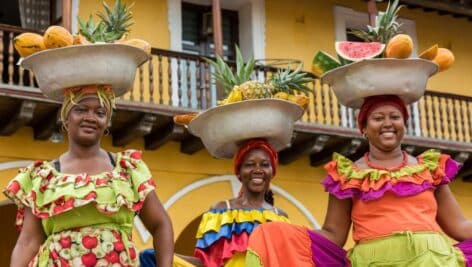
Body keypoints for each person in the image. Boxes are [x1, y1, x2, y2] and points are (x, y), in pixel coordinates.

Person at [245, 95, 472, 266]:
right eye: (377, 118)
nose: (387, 123)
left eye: (395, 117)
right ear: (363, 128)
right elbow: (334, 235)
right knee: (271, 233)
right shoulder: (347, 176)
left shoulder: (430, 169)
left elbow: (459, 226)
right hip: (373, 262)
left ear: (404, 124)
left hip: (431, 261)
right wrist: (283, 235)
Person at [3, 85, 174, 267]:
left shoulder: (127, 170)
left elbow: (160, 224)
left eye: (99, 113)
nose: (90, 118)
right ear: (67, 117)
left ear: (106, 122)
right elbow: (28, 241)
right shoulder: (43, 178)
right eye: (81, 110)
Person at [140, 139, 290, 267]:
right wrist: (164, 258)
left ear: (272, 171)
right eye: (250, 164)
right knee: (150, 255)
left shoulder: (280, 217)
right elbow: (205, 262)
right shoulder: (221, 211)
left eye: (264, 164)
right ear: (239, 172)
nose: (258, 170)